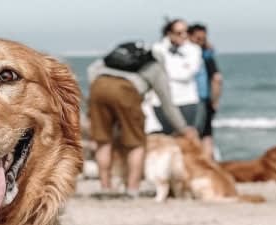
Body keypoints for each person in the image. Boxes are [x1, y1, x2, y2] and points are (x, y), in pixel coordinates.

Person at [87, 48, 197, 197]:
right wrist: (183, 128)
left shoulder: (117, 58)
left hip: (98, 86)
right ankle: (133, 190)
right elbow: (167, 103)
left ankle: (105, 187)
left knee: (103, 140)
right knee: (136, 143)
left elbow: (91, 69)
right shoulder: (155, 67)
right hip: (126, 91)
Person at [151, 19, 203, 133]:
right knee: (166, 136)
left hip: (187, 100)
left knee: (186, 136)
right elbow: (156, 72)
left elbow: (187, 74)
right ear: (170, 33)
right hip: (162, 101)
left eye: (186, 31)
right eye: (179, 32)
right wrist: (180, 67)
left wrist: (167, 70)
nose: (184, 35)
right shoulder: (157, 48)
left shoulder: (194, 49)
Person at [188, 23, 223, 159]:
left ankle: (202, 162)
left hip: (199, 99)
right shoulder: (206, 54)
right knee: (206, 134)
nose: (200, 41)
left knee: (197, 134)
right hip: (203, 99)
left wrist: (214, 100)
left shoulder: (201, 56)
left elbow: (216, 79)